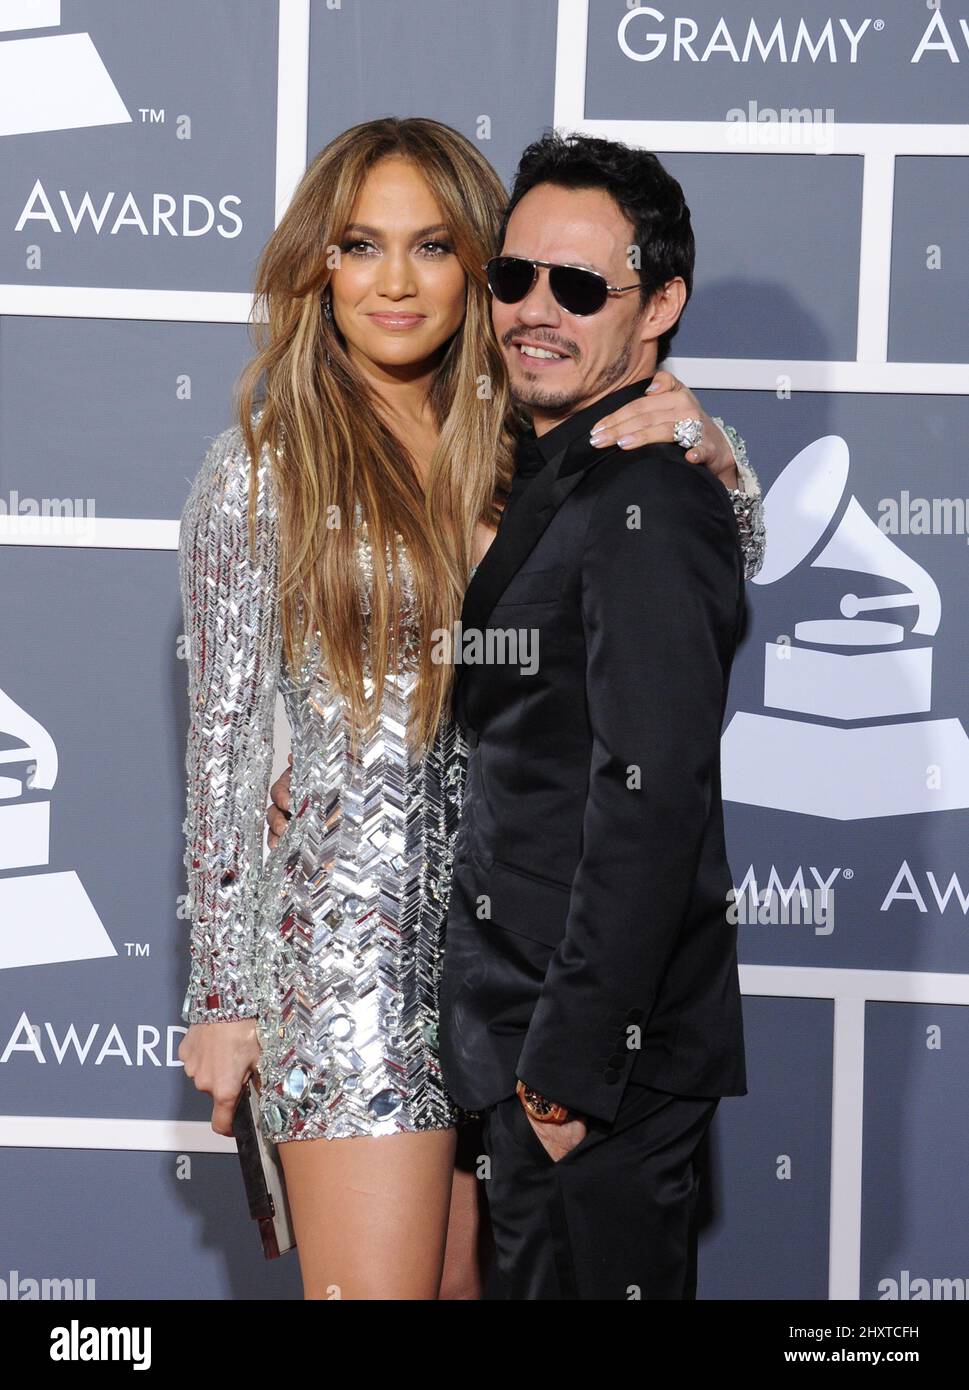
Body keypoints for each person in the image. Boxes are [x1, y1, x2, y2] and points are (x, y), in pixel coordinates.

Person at [180, 116, 763, 1302]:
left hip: (502, 974)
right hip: (349, 967)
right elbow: (226, 745)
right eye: (359, 247)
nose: (395, 282)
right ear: (318, 268)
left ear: (476, 271)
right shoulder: (264, 466)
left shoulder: (523, 439)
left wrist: (709, 443)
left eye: (435, 247)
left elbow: (717, 556)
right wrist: (226, 999)